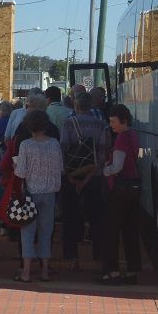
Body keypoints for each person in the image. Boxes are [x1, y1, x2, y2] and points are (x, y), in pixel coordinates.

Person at [13, 110, 63, 283]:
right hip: (50, 192)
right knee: (46, 232)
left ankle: (26, 272)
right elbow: (60, 168)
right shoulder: (55, 143)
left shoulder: (26, 145)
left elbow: (20, 172)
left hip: (31, 193)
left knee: (27, 232)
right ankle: (45, 271)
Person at [60, 92, 107, 270]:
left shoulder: (68, 123)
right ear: (91, 106)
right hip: (94, 178)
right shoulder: (102, 125)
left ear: (75, 105)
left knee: (70, 218)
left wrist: (70, 176)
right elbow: (102, 154)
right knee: (96, 219)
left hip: (72, 177)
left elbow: (63, 148)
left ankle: (71, 258)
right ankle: (98, 258)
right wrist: (89, 177)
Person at [99, 104, 141, 285]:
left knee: (111, 230)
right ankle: (132, 270)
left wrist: (104, 170)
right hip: (133, 186)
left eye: (113, 121)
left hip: (119, 189)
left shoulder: (122, 139)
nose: (111, 125)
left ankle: (112, 271)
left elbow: (117, 166)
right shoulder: (133, 135)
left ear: (123, 121)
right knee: (131, 230)